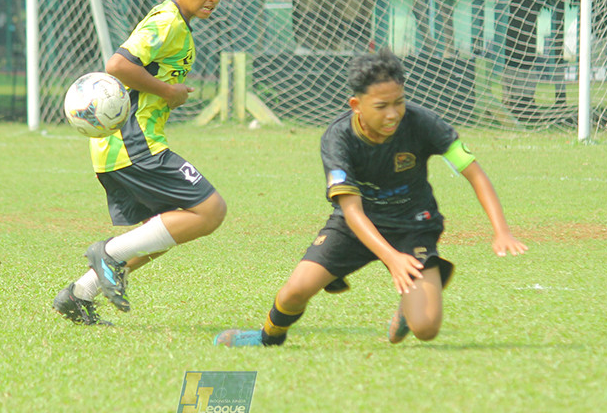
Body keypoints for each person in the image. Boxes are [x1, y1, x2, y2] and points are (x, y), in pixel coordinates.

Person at [215, 49, 527, 347]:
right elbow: (352, 211)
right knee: (293, 292)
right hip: (355, 226)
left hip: (413, 225)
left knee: (427, 328)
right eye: (381, 106)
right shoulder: (338, 138)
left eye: (399, 102)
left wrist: (501, 231)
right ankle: (267, 337)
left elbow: (474, 172)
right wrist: (391, 258)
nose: (393, 114)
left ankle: (409, 307)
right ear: (356, 104)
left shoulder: (422, 123)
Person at [53, 0, 233, 325]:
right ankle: (108, 254)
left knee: (169, 228)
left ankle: (79, 294)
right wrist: (169, 92)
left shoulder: (179, 24)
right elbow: (117, 65)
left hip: (125, 147)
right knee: (210, 210)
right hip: (134, 144)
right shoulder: (166, 21)